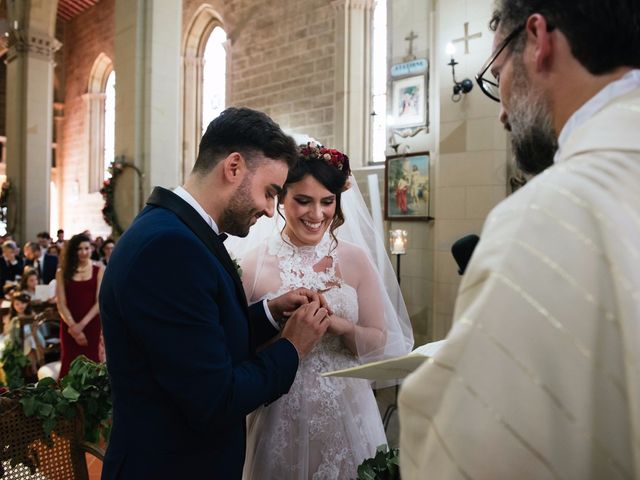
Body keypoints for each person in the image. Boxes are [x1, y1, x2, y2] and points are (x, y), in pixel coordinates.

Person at [398, 1, 640, 479]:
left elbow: (467, 455)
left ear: (538, 41)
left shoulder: (543, 220)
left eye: (498, 73)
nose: (502, 112)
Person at [99, 107, 330, 479]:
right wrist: (293, 347)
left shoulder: (178, 231)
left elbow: (200, 339)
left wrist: (269, 313)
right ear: (234, 167)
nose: (271, 211)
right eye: (270, 193)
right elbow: (216, 400)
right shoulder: (169, 248)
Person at [231, 142, 413, 479]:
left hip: (349, 414)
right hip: (280, 415)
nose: (316, 215)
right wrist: (286, 333)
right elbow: (236, 351)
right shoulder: (252, 265)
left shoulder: (356, 260)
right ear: (282, 199)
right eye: (303, 201)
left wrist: (342, 328)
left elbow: (381, 344)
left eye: (327, 202)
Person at [55, 233, 104, 377]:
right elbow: (61, 303)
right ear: (73, 251)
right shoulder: (62, 272)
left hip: (91, 324)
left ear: (92, 249)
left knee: (92, 365)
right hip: (69, 325)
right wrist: (73, 327)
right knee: (69, 365)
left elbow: (99, 302)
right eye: (79, 249)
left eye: (86, 248)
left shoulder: (99, 270)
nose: (83, 252)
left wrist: (81, 326)